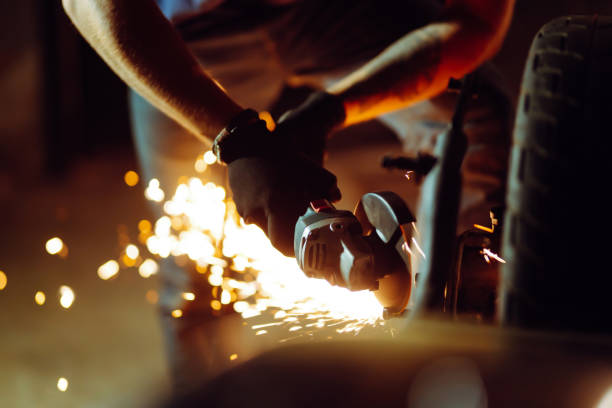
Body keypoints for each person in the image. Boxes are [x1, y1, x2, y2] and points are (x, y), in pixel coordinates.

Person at [63, 0, 515, 390]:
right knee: (194, 257)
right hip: (187, 29)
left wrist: (333, 108)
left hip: (339, 11)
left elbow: (473, 24)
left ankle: (460, 340)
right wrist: (237, 139)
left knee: (476, 117)